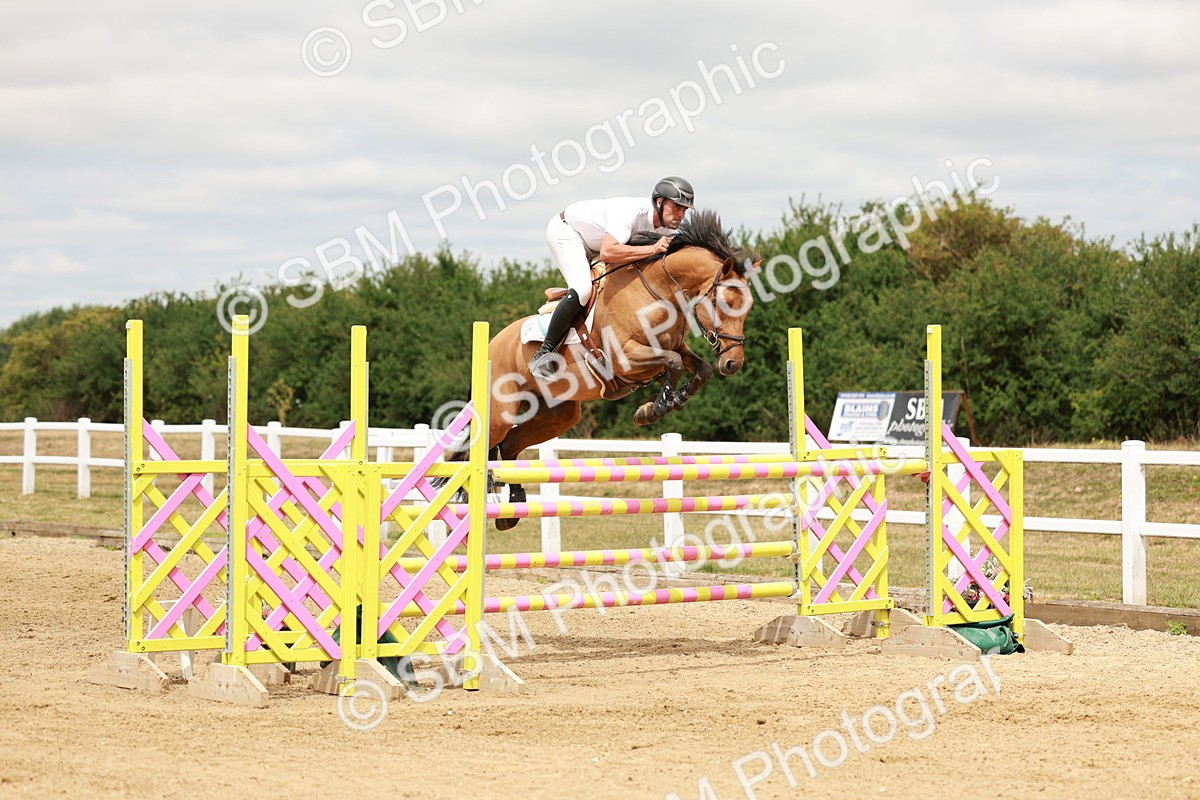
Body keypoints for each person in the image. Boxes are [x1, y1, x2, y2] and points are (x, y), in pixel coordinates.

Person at [529, 176, 695, 381]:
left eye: (684, 210)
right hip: (568, 233)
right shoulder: (632, 213)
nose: (680, 215)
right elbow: (608, 252)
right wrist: (652, 249)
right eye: (677, 207)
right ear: (659, 202)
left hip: (596, 244)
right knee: (583, 289)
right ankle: (544, 354)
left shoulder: (669, 229)